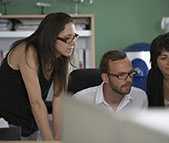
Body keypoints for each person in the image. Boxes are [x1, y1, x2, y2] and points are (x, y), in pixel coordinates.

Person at [0, 12, 78, 140]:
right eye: (67, 38)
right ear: (51, 38)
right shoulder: (27, 51)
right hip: (6, 125)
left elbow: (58, 100)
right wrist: (49, 140)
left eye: (74, 36)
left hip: (30, 124)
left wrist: (58, 139)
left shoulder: (61, 57)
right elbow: (36, 102)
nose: (73, 43)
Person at [73, 50, 148, 112]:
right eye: (121, 75)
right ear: (105, 78)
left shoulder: (140, 97)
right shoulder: (80, 101)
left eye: (131, 73)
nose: (128, 79)